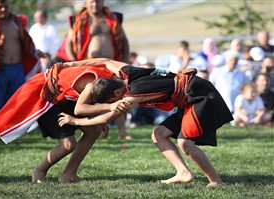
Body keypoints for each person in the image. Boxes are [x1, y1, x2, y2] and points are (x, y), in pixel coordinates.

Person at [58, 60, 233, 187]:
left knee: (185, 143)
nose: (116, 102)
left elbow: (107, 118)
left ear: (118, 91)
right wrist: (70, 64)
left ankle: (216, 181)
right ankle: (183, 173)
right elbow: (104, 61)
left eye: (113, 100)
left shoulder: (132, 95)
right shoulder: (128, 72)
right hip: (189, 98)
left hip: (200, 96)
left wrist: (75, 121)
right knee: (159, 134)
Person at [0, 58, 130, 183]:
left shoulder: (108, 80)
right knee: (68, 144)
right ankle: (39, 170)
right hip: (50, 97)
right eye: (117, 99)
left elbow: (102, 62)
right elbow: (79, 109)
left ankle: (68, 174)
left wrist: (99, 120)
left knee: (93, 130)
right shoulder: (93, 83)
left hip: (66, 98)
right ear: (117, 91)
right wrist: (109, 107)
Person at [0, 0, 41, 140]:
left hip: (17, 68)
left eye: (5, 6)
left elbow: (26, 42)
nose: (3, 9)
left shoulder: (16, 22)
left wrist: (36, 52)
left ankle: (9, 131)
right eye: (0, 7)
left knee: (15, 102)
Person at [64, 0, 131, 140]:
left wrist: (124, 63)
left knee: (120, 94)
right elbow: (69, 43)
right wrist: (74, 63)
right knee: (90, 97)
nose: (95, 5)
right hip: (89, 64)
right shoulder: (78, 20)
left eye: (98, 1)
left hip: (111, 65)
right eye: (91, 2)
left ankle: (122, 131)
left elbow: (124, 42)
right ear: (86, 3)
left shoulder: (113, 18)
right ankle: (90, 128)